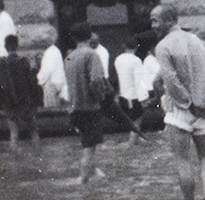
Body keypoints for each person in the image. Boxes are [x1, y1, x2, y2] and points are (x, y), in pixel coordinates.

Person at [150, 4, 205, 200]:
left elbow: (171, 80)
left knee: (182, 160)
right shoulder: (198, 40)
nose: (152, 26)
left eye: (155, 21)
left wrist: (188, 104)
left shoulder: (163, 46)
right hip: (203, 107)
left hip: (181, 109)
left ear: (169, 21)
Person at [64, 22, 108, 185]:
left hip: (75, 107)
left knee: (87, 143)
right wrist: (100, 97)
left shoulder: (69, 56)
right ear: (90, 36)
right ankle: (83, 178)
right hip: (90, 107)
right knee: (89, 147)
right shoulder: (91, 55)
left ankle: (93, 172)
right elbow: (96, 79)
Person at [0, 35, 41, 151]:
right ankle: (38, 156)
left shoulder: (1, 64)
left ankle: (14, 161)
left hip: (10, 104)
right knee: (33, 131)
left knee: (13, 134)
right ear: (17, 46)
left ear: (5, 46)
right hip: (25, 102)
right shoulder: (23, 62)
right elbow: (31, 83)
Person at [114, 37, 146, 145]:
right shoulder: (136, 60)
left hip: (123, 93)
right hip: (133, 95)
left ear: (124, 46)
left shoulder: (118, 59)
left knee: (132, 117)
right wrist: (143, 97)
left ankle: (136, 137)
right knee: (137, 118)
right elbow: (139, 80)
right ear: (136, 47)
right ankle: (132, 140)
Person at [36, 30, 68, 108]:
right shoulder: (54, 50)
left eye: (43, 41)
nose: (42, 43)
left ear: (48, 42)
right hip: (57, 81)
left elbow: (48, 69)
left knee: (51, 107)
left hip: (51, 83)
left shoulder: (51, 52)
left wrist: (39, 78)